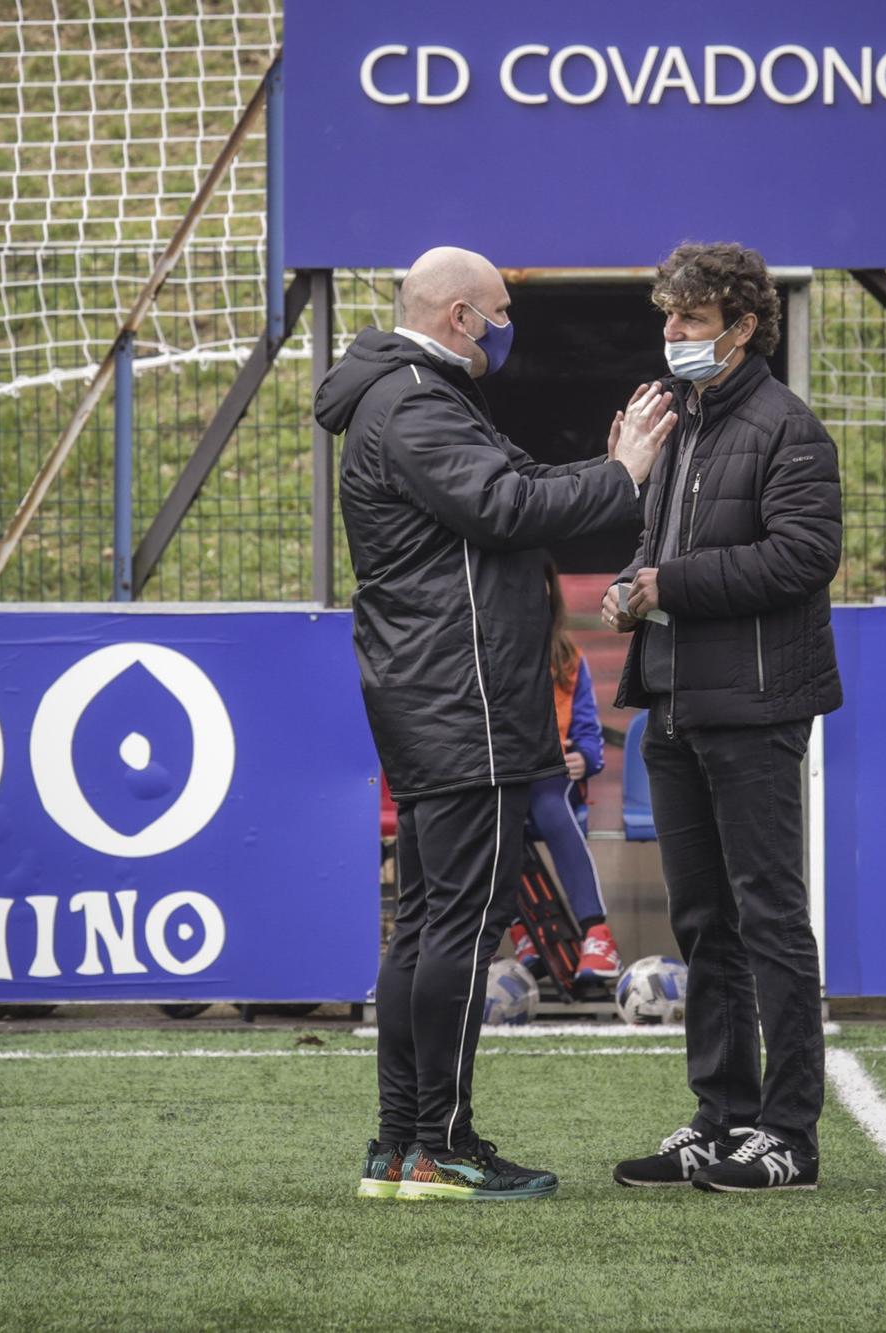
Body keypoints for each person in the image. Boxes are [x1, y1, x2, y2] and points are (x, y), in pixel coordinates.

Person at [314, 246, 675, 1203]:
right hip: (461, 698)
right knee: (461, 927)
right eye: (503, 310)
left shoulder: (407, 395)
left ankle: (402, 1147)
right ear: (462, 316)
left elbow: (513, 482)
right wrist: (625, 471)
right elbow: (509, 504)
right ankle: (434, 1143)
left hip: (441, 694)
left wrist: (601, 469)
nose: (510, 327)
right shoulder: (415, 403)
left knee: (428, 924)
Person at [602, 242, 842, 1194]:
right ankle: (721, 1116)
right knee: (703, 921)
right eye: (667, 318)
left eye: (692, 321)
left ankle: (789, 1133)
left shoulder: (791, 428)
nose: (673, 336)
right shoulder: (676, 422)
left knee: (770, 916)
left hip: (756, 706)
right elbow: (653, 554)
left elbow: (802, 558)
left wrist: (668, 584)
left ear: (743, 328)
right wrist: (632, 589)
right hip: (672, 701)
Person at [508, 559, 621, 984]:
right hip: (505, 783)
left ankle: (597, 932)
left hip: (556, 782)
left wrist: (585, 759)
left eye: (541, 591)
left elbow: (589, 737)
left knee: (547, 799)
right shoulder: (488, 656)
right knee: (500, 816)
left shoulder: (569, 660)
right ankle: (524, 931)